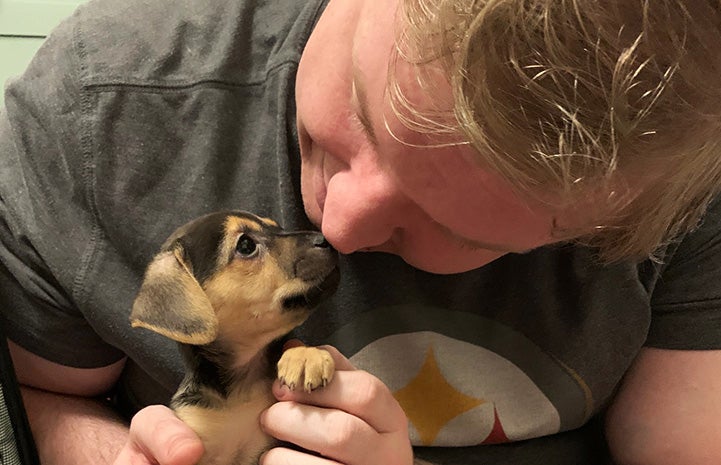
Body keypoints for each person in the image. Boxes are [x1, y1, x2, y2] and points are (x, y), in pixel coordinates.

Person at [1, 0, 721, 464]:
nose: (335, 226)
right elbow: (35, 398)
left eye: (452, 226)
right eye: (356, 107)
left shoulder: (695, 185)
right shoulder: (100, 105)